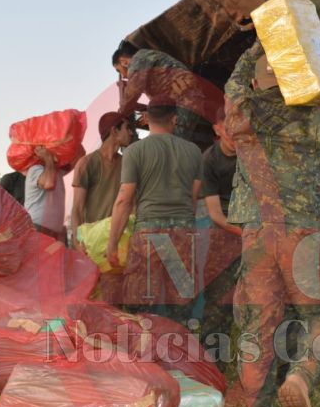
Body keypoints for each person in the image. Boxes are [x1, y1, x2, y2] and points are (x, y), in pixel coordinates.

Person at [224, 41, 320, 407]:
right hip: (303, 231)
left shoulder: (241, 111)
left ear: (256, 80)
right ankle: (300, 378)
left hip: (256, 235)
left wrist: (253, 45)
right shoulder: (313, 117)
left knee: (257, 328)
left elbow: (235, 78)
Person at [106, 101, 203, 324]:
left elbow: (124, 199)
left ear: (147, 119)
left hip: (148, 234)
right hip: (183, 232)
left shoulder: (134, 152)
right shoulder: (194, 152)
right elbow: (194, 197)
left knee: (139, 304)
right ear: (175, 119)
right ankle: (180, 354)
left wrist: (112, 243)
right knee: (181, 305)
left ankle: (141, 356)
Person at [198, 104, 242, 372]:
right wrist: (245, 233)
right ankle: (214, 372)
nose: (235, 135)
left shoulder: (251, 154)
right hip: (226, 235)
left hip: (255, 232)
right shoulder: (210, 160)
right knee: (217, 307)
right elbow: (215, 214)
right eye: (229, 129)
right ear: (217, 129)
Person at [113, 41, 206, 143]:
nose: (123, 76)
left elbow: (132, 93)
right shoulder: (147, 64)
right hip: (185, 100)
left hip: (186, 99)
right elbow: (157, 102)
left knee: (171, 143)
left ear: (124, 62)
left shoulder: (138, 59)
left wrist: (120, 112)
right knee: (171, 141)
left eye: (118, 70)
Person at [70, 111, 133, 239]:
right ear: (114, 131)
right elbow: (77, 208)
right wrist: (78, 240)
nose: (131, 133)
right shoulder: (87, 163)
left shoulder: (127, 163)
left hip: (121, 240)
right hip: (94, 241)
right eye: (127, 128)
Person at [24, 144, 84, 241]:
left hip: (55, 231)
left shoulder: (56, 171)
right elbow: (49, 184)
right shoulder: (34, 170)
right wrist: (48, 158)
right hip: (38, 228)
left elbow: (80, 155)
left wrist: (73, 137)